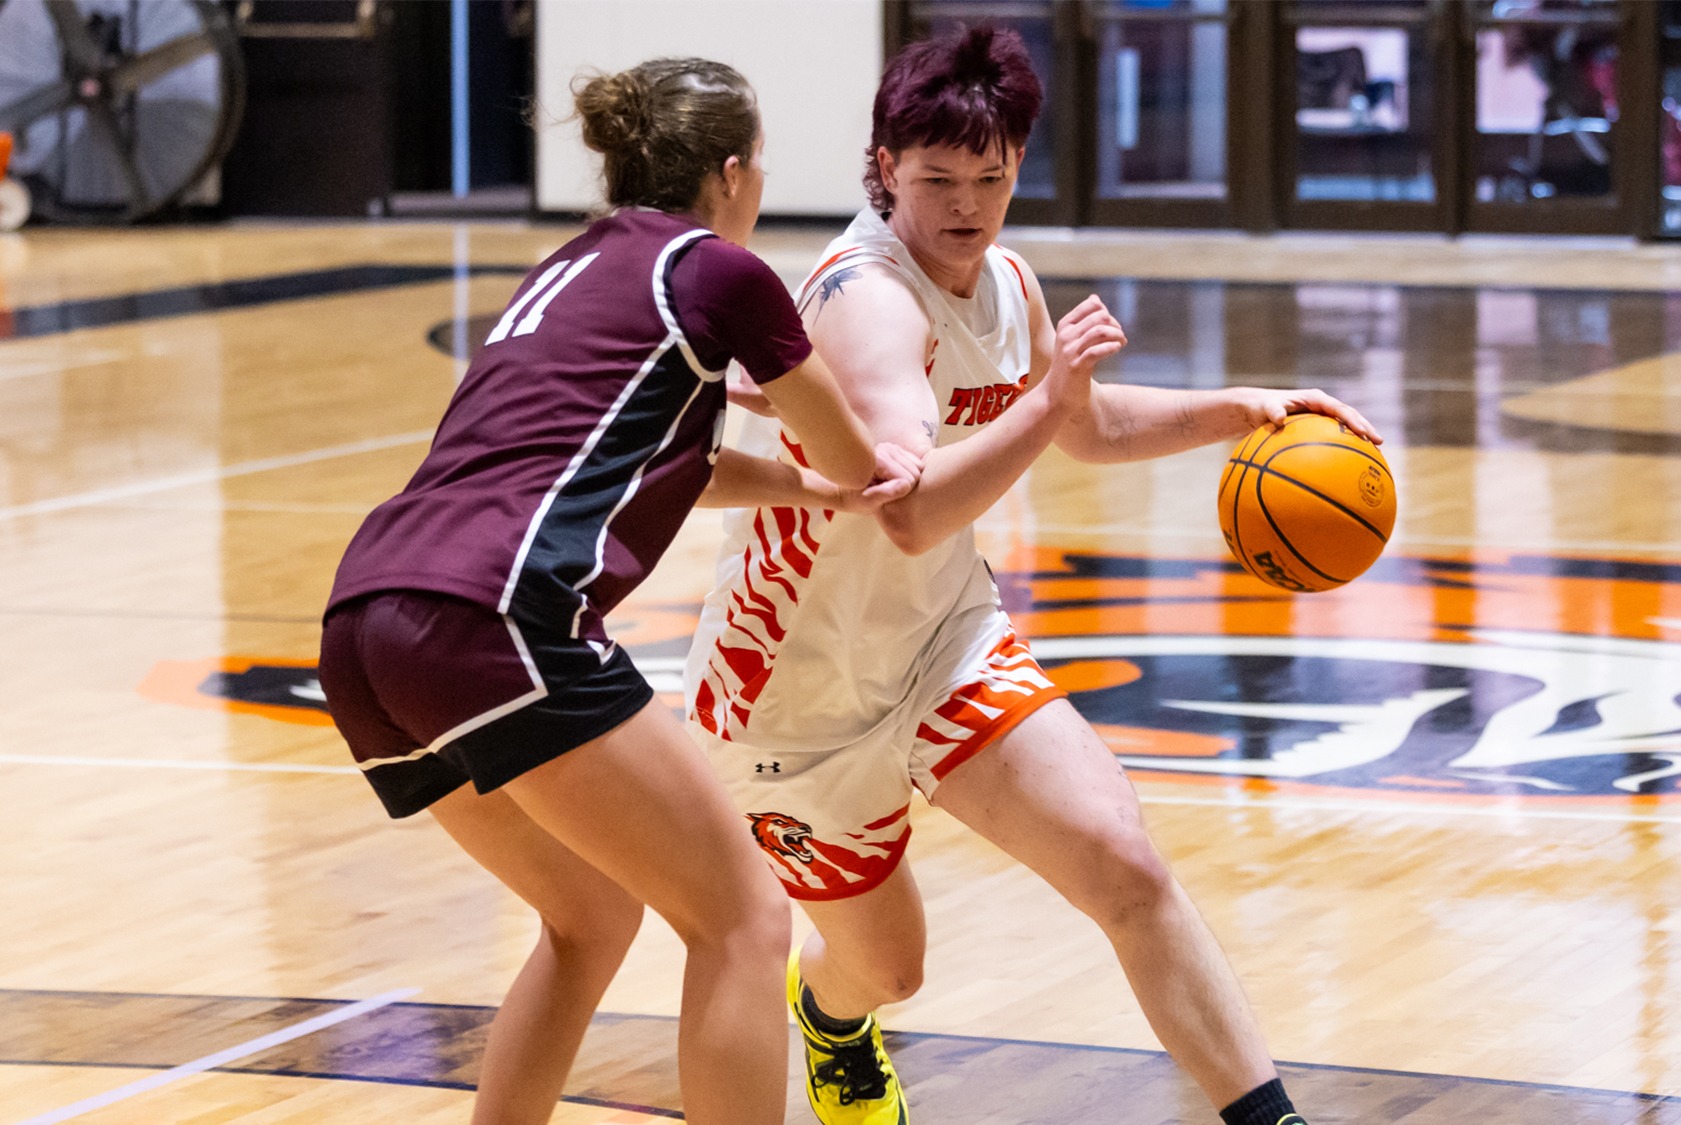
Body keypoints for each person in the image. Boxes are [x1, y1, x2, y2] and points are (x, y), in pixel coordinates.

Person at [685, 26, 1382, 1125]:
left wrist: (1240, 408)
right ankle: (830, 1015)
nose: (967, 205)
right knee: (887, 970)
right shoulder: (870, 303)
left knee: (1121, 858)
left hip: (939, 639)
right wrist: (1039, 406)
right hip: (792, 696)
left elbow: (1086, 426)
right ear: (882, 170)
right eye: (936, 181)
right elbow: (908, 511)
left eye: (991, 177)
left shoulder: (1003, 277)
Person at [316, 58, 921, 1125]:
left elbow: (644, 465)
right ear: (732, 173)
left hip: (368, 620)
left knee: (589, 916)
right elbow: (860, 453)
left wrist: (800, 487)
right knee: (742, 919)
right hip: (495, 617)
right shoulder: (721, 274)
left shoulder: (566, 266)